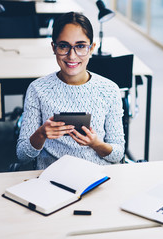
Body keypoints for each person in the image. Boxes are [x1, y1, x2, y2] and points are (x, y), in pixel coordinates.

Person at [16, 12, 125, 169]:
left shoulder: (109, 90)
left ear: (92, 48)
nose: (72, 56)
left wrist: (96, 144)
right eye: (64, 46)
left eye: (80, 46)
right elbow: (22, 156)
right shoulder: (37, 89)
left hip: (96, 176)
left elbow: (118, 153)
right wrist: (41, 134)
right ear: (54, 47)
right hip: (51, 177)